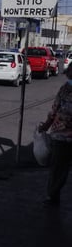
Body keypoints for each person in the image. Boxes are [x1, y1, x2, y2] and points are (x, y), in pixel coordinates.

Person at [39, 63, 72, 205]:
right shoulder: (65, 88)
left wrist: (46, 125)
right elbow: (54, 110)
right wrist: (46, 125)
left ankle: (52, 195)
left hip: (61, 135)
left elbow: (54, 110)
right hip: (60, 136)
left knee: (59, 168)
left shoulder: (65, 88)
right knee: (60, 168)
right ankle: (53, 196)